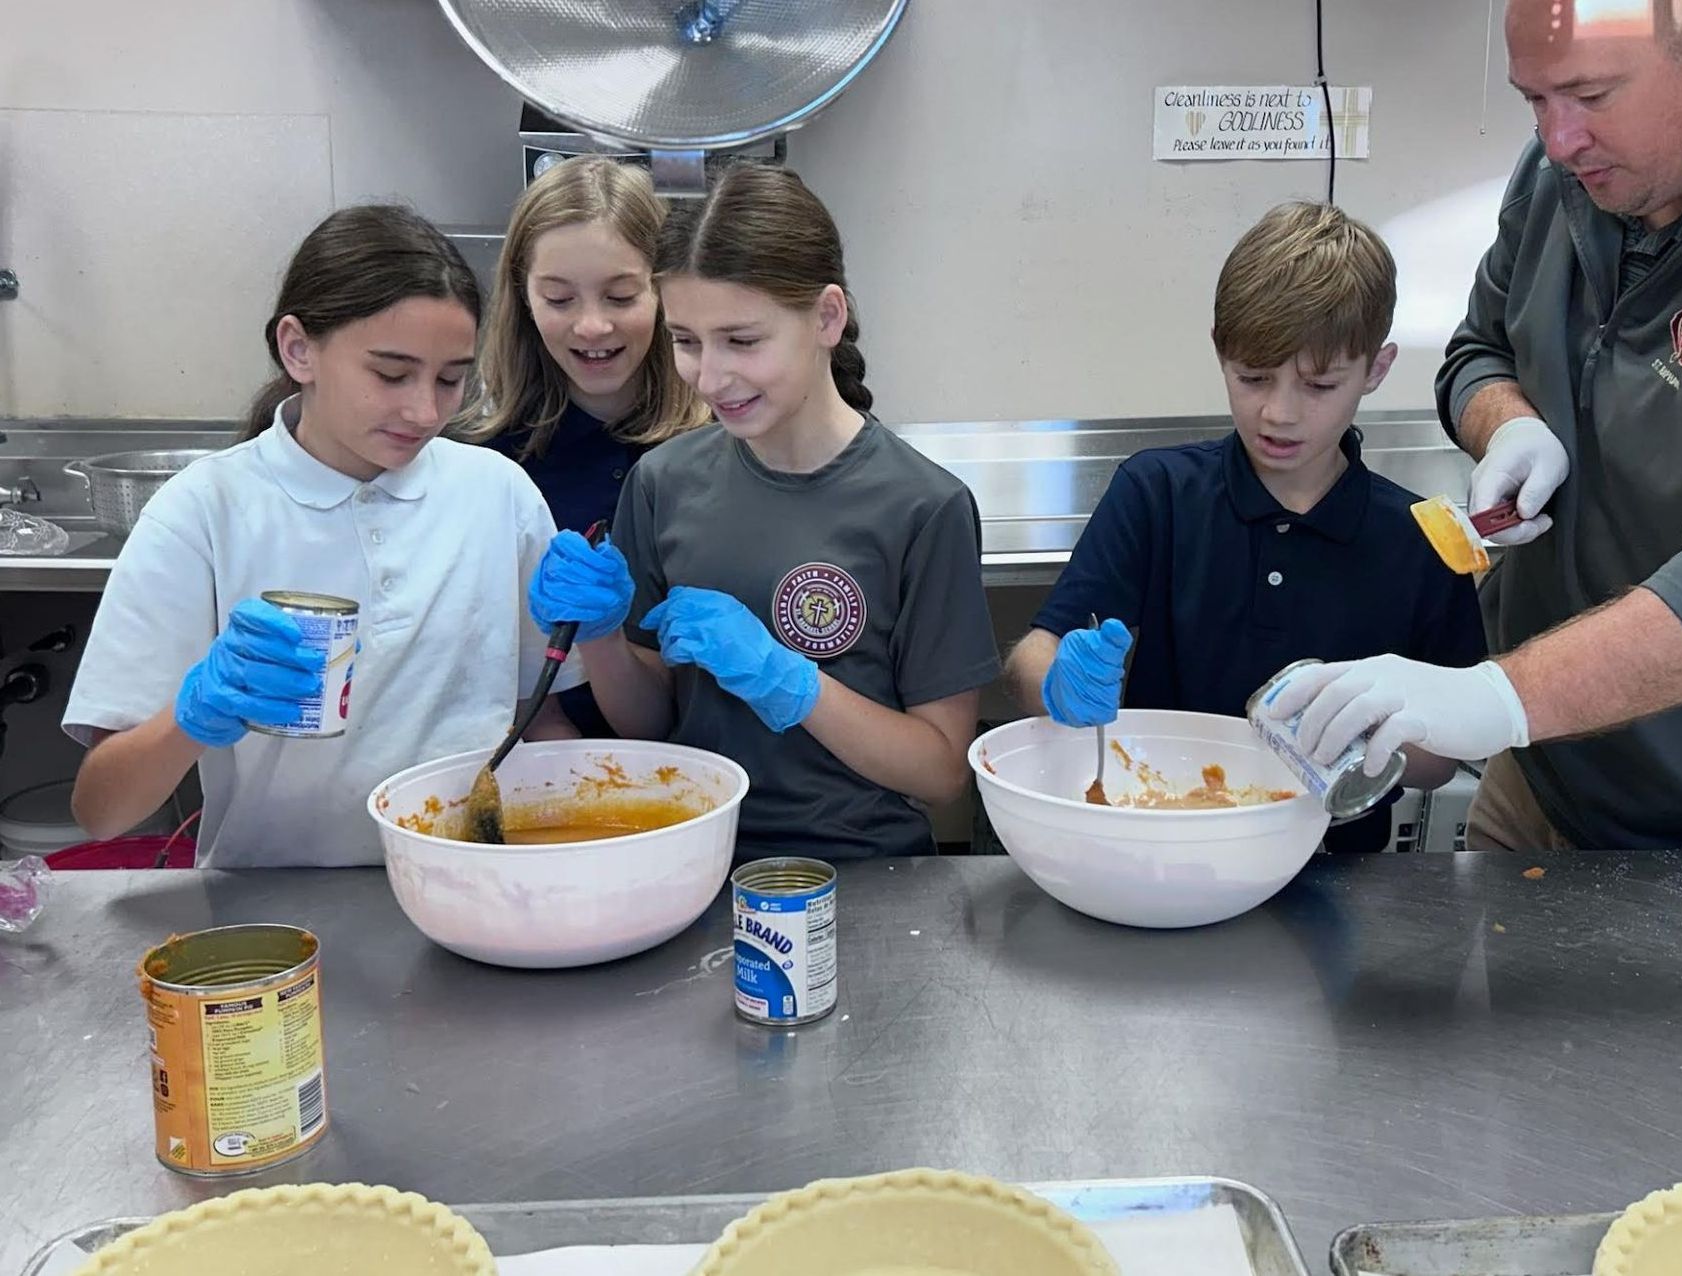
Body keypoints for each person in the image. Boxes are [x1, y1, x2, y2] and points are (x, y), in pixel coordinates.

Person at [1266, 0, 1682, 852]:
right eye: (1533, 101)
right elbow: (1477, 351)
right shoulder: (1561, 180)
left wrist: (1492, 698)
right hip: (1541, 774)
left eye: (1589, 95)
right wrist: (1510, 426)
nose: (1557, 140)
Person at [63, 206, 590, 867]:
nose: (424, 410)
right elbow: (101, 811)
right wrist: (192, 716)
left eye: (451, 378)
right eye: (390, 374)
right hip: (273, 909)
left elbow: (538, 722)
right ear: (298, 348)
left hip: (467, 885)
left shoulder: (498, 494)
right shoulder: (204, 512)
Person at [528, 165, 1001, 860]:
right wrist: (600, 638)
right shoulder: (663, 483)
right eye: (685, 341)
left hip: (862, 868)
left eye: (742, 341)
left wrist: (789, 681)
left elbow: (938, 773)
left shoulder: (922, 506)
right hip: (690, 853)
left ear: (826, 318)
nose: (710, 378)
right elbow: (650, 727)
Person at [1002, 202, 1487, 854]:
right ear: (1218, 350)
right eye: (1252, 378)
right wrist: (1057, 683)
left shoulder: (1419, 540)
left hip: (1337, 873)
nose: (1278, 413)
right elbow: (1035, 655)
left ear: (1375, 369)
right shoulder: (1158, 494)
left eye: (1318, 385)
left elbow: (1438, 764)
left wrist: (1377, 726)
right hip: (1159, 844)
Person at [454, 156, 709, 737]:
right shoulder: (485, 463)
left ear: (665, 291)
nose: (592, 327)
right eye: (560, 299)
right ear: (522, 299)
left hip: (709, 769)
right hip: (536, 772)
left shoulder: (722, 448)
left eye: (620, 297)